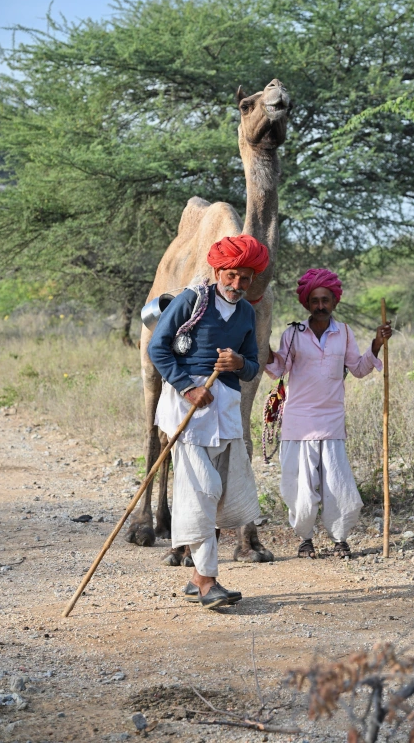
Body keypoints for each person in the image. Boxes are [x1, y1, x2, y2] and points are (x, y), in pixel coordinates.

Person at [148, 234, 268, 609]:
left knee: (215, 493)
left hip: (226, 410)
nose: (236, 285)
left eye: (245, 279)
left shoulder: (248, 312)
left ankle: (197, 574)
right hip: (188, 411)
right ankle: (208, 582)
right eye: (231, 276)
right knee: (202, 490)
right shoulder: (191, 301)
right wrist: (186, 387)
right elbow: (157, 348)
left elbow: (252, 365)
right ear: (218, 271)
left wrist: (238, 364)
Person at [265, 268, 392, 559]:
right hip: (298, 423)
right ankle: (305, 540)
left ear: (334, 302)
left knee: (339, 487)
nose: (320, 305)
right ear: (307, 304)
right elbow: (277, 371)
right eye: (315, 300)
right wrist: (264, 349)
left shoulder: (344, 332)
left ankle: (340, 539)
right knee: (300, 490)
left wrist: (376, 344)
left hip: (331, 420)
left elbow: (359, 369)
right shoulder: (293, 334)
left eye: (325, 300)